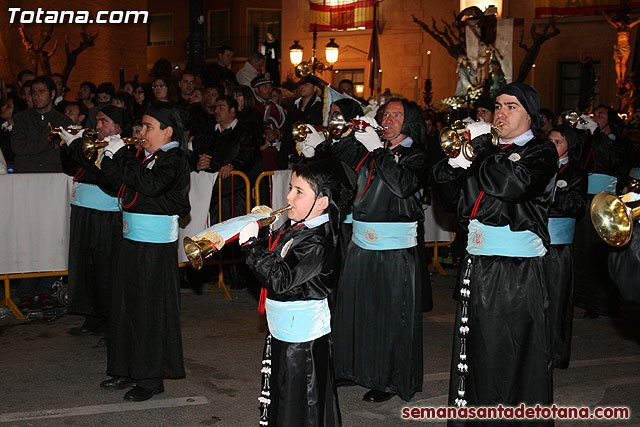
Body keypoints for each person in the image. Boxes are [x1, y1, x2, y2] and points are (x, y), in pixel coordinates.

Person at [432, 82, 557, 415]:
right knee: (476, 353)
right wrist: (455, 164)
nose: (501, 112)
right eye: (498, 106)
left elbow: (512, 185)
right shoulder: (483, 153)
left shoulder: (540, 151)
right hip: (479, 263)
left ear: (531, 116)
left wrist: (485, 147)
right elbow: (448, 199)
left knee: (513, 352)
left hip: (516, 271)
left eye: (511, 106)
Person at [240, 160, 354, 426]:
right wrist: (266, 229)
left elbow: (280, 279)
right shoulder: (299, 226)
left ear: (323, 202)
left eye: (299, 191)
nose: (289, 196)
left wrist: (251, 247)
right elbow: (278, 254)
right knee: (283, 396)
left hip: (302, 341)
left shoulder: (317, 240)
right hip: (285, 331)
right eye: (290, 188)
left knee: (302, 402)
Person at [332, 98, 430, 403]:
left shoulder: (416, 155)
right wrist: (337, 139)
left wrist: (377, 150)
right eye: (385, 114)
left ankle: (388, 380)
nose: (388, 119)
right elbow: (341, 169)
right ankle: (352, 368)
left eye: (396, 115)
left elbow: (402, 186)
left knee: (389, 316)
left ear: (409, 122)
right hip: (362, 242)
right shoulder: (372, 149)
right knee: (356, 310)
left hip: (394, 248)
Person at [98, 101, 190, 401]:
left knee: (149, 310)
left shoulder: (174, 159)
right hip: (132, 239)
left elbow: (150, 185)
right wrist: (108, 158)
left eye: (148, 127)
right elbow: (114, 185)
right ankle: (126, 368)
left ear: (167, 131)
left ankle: (151, 378)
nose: (142, 132)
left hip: (155, 246)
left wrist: (123, 156)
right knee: (125, 305)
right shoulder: (145, 155)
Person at [58, 105, 132, 336]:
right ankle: (91, 317)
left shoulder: (122, 148)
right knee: (85, 267)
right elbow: (70, 168)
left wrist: (77, 147)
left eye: (104, 121)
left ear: (118, 127)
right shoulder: (93, 143)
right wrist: (67, 145)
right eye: (97, 121)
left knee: (105, 269)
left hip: (106, 214)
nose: (97, 126)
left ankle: (111, 320)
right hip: (83, 209)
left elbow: (104, 177)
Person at [573, 105, 626, 318]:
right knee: (584, 251)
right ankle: (588, 300)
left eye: (601, 115)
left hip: (608, 202)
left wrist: (595, 134)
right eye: (595, 114)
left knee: (604, 252)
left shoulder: (618, 142)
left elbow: (612, 162)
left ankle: (606, 301)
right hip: (587, 200)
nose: (596, 117)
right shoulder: (590, 139)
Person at [546, 125, 587, 369]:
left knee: (558, 300)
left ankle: (556, 353)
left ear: (568, 146)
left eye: (558, 142)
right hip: (534, 241)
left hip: (559, 244)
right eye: (549, 141)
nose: (552, 146)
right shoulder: (538, 165)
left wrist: (548, 199)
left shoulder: (576, 172)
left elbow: (575, 205)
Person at [11, 75, 72, 173]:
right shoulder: (21, 118)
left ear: (52, 94)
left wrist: (33, 149)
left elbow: (64, 153)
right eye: (33, 92)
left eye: (41, 91)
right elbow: (18, 147)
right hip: (26, 172)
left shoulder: (63, 121)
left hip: (53, 173)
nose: (36, 96)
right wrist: (50, 144)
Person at [251, 73, 286, 170]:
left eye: (270, 86)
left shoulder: (277, 108)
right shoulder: (251, 107)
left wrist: (277, 133)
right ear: (256, 89)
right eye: (265, 87)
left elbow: (284, 130)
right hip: (257, 156)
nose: (269, 89)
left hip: (274, 155)